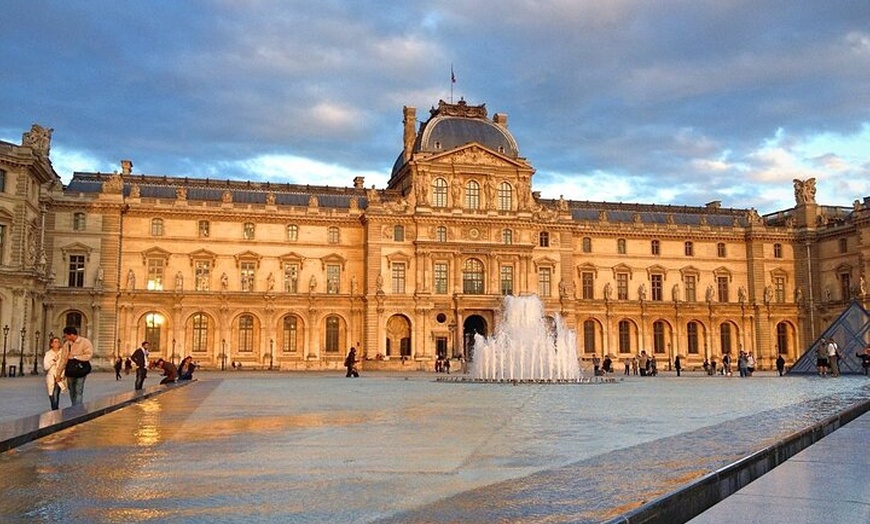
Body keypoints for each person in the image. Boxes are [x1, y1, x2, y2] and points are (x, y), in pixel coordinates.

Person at [62, 326, 93, 406]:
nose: (66, 337)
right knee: (71, 389)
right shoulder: (66, 344)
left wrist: (75, 357)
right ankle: (74, 405)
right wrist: (59, 373)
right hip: (70, 370)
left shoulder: (85, 342)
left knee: (78, 389)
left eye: (66, 335)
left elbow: (88, 355)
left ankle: (77, 409)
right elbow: (63, 359)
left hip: (81, 369)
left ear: (71, 335)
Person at [43, 336, 66, 410]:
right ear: (51, 344)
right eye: (55, 342)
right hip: (51, 376)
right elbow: (46, 367)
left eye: (58, 342)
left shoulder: (63, 352)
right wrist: (53, 361)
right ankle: (55, 410)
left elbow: (65, 364)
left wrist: (62, 375)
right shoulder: (48, 354)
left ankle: (55, 411)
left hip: (59, 376)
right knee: (51, 394)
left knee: (56, 394)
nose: (57, 343)